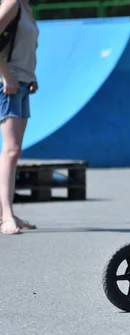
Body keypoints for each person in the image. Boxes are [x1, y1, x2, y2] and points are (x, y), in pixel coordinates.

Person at [0, 0, 38, 235]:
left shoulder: (25, 6)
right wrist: (6, 75)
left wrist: (30, 76)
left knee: (15, 151)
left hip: (22, 83)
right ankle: (6, 216)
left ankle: (6, 212)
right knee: (11, 150)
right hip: (8, 85)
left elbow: (24, 47)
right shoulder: (11, 3)